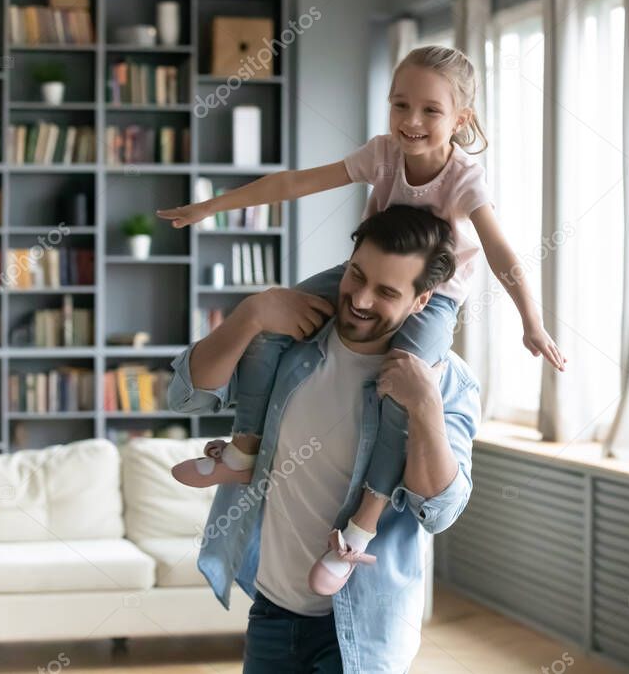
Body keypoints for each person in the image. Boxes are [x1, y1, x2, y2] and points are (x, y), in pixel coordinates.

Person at [158, 45, 565, 595]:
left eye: (430, 111)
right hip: (369, 269)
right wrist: (212, 206)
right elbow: (292, 183)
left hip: (434, 296)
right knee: (270, 316)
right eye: (400, 105)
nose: (411, 122)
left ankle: (360, 528)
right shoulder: (383, 154)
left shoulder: (465, 179)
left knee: (402, 383)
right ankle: (242, 449)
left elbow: (502, 253)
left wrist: (532, 321)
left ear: (461, 120)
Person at [167, 205, 481, 672]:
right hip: (272, 609)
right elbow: (186, 396)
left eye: (387, 292)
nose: (361, 299)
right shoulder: (289, 344)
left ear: (421, 300)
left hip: (363, 631)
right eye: (357, 275)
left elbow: (438, 511)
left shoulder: (448, 381)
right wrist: (250, 315)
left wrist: (425, 406)